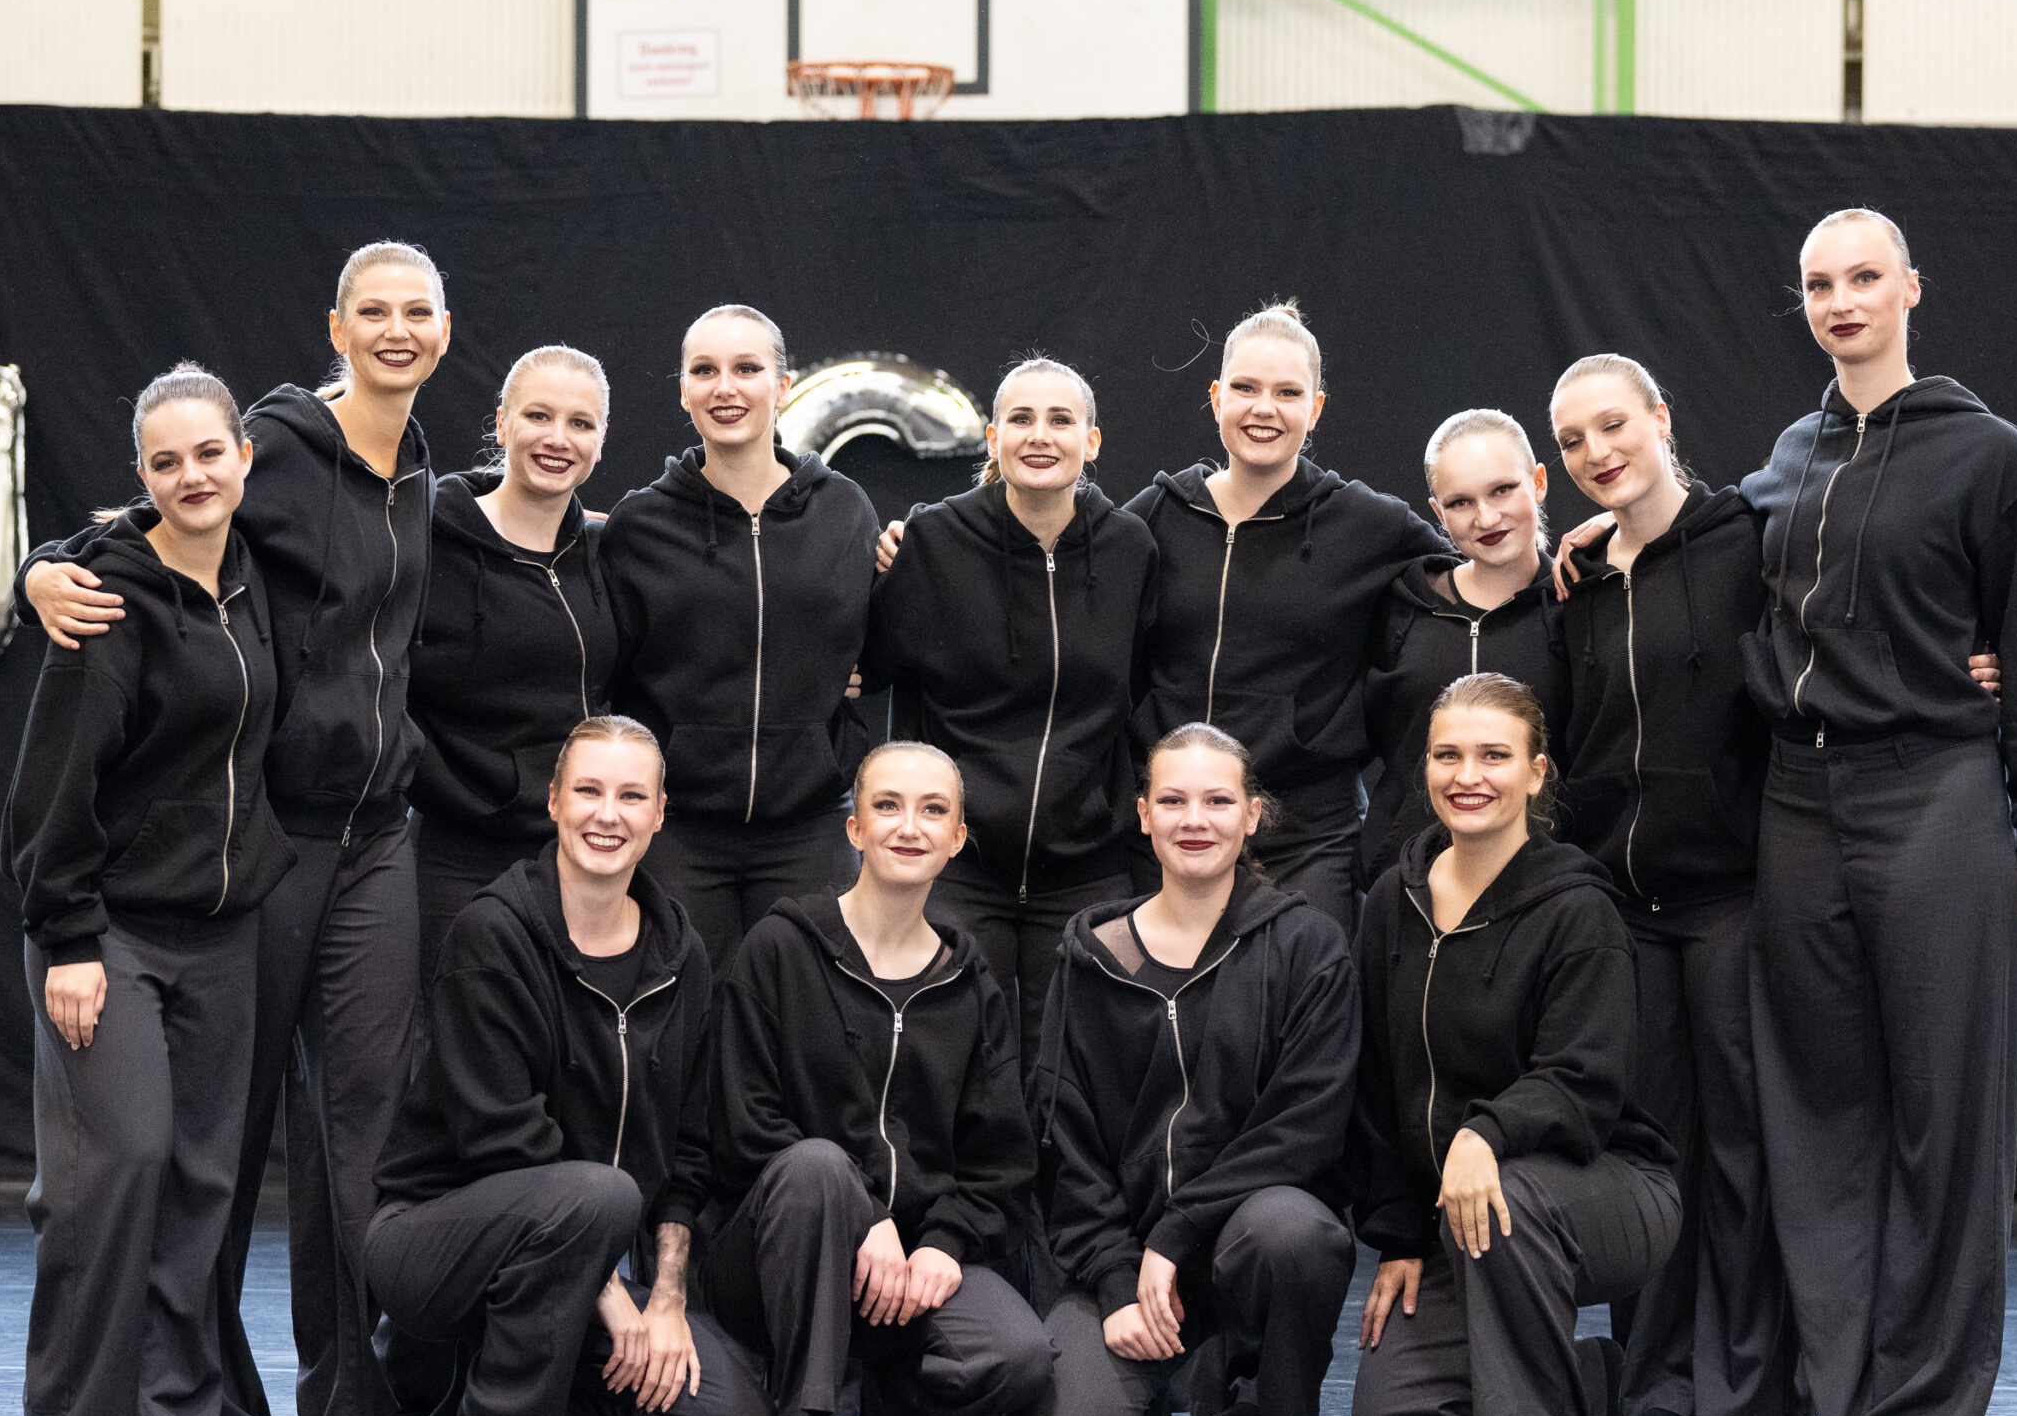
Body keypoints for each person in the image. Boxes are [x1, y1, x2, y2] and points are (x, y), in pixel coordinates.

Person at [22, 239, 448, 1416]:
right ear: (337, 326)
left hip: (377, 837)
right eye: (374, 311)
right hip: (273, 842)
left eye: (417, 310)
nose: (397, 329)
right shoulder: (278, 443)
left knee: (355, 1136)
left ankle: (350, 1408)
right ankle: (188, 1406)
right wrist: (44, 571)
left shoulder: (421, 470)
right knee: (216, 1142)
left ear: (444, 327)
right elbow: (154, 521)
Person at [1738, 208, 2017, 1416]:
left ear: (1910, 291)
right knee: (1820, 1115)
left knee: (1945, 1116)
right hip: (1798, 801)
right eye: (1819, 283)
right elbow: (1730, 570)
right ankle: (1848, 1412)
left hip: (1933, 793)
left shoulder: (1989, 456)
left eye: (1863, 277)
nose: (1840, 300)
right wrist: (1613, 534)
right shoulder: (1791, 455)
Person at [2, 364, 293, 1416]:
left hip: (224, 929)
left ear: (244, 457)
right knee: (117, 1165)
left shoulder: (253, 578)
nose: (192, 476)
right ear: (141, 477)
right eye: (166, 463)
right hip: (109, 932)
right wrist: (70, 939)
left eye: (209, 453)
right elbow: (51, 790)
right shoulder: (107, 599)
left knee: (202, 1183)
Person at [364, 717, 777, 1416]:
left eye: (631, 796)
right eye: (588, 790)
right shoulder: (493, 933)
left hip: (573, 1272)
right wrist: (613, 1299)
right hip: (434, 1241)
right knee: (600, 1193)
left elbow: (690, 1151)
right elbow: (503, 1143)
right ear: (553, 801)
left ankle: (482, 1403)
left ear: (660, 813)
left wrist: (666, 1299)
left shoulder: (680, 954)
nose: (607, 814)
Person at [1544, 354, 1807, 1416]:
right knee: (1649, 1156)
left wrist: (1972, 662)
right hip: (1626, 909)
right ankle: (1653, 1387)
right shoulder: (1579, 580)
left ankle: (1745, 1400)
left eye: (1614, 425)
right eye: (1572, 440)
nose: (1597, 452)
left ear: (1660, 418)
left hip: (1733, 897)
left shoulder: (1748, 538)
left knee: (1745, 1152)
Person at [1350, 674, 1680, 1416]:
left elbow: (1583, 1080)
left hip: (1608, 1190)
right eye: (1447, 755)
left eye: (1494, 755)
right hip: (1459, 1219)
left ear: (1536, 774)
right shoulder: (1392, 902)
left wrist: (1483, 1133)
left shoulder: (1578, 909)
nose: (1468, 776)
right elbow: (1376, 1084)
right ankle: (1588, 1387)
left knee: (1513, 1196)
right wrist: (1398, 1234)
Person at [706, 742, 1053, 1416]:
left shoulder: (969, 979)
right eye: (888, 805)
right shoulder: (780, 947)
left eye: (934, 810)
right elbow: (744, 1125)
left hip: (908, 1270)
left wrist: (945, 1243)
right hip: (777, 1255)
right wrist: (868, 1213)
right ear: (855, 828)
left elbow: (1000, 1158)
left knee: (1017, 1355)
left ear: (957, 837)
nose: (910, 825)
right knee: (816, 1166)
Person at [1022, 723, 1358, 1416]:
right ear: (1143, 815)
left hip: (1246, 1239)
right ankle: (1143, 1412)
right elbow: (1065, 1141)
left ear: (1253, 814)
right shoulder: (1091, 958)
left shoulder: (1308, 945)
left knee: (1293, 1231)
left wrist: (1178, 1231)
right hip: (1126, 1253)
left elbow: (1304, 1125)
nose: (1194, 819)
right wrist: (1116, 1278)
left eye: (1218, 800)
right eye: (1172, 800)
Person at [1121, 301, 1457, 928]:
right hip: (1174, 830)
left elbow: (1481, 570)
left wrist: (1597, 544)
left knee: (1307, 989)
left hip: (1308, 837)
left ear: (1316, 407)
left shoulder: (1365, 523)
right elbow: (1058, 564)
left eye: (1287, 392)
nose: (1264, 409)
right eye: (1245, 388)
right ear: (1216, 397)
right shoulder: (1156, 515)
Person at [865, 356, 1159, 1069]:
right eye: (1021, 419)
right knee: (959, 1067)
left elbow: (1143, 691)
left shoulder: (1129, 549)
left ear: (1091, 441)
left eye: (1061, 420)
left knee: (1076, 1075)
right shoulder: (933, 540)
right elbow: (866, 669)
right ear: (993, 438)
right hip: (960, 864)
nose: (1040, 435)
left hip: (1087, 865)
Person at [605, 304, 880, 972]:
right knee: (683, 1017)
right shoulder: (639, 526)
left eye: (747, 369)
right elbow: (607, 671)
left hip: (810, 828)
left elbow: (880, 643)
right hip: (679, 831)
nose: (725, 387)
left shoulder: (845, 510)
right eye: (705, 371)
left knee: (806, 1016)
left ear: (782, 386)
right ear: (683, 391)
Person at [409, 345, 616, 984]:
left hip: (575, 856)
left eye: (580, 423)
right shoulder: (427, 537)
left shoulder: (606, 551)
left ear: (601, 441)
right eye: (538, 416)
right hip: (457, 854)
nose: (558, 439)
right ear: (501, 424)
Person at [1360, 409, 1567, 889]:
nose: (1486, 518)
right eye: (1460, 502)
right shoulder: (1400, 606)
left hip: (1544, 887)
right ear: (1438, 513)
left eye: (1502, 490)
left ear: (1538, 482)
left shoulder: (1578, 607)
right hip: (1406, 885)